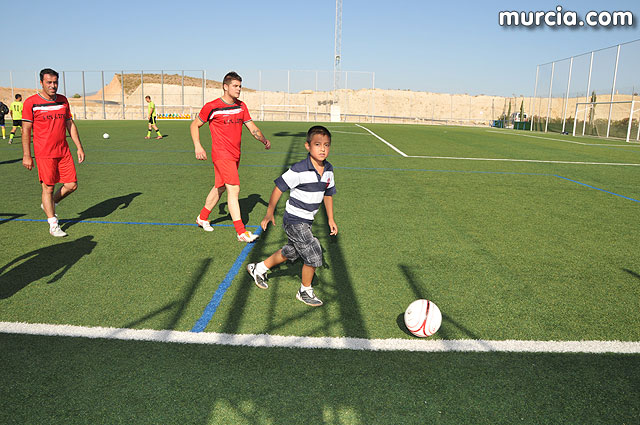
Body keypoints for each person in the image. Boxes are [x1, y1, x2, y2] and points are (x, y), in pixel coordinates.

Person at [247, 125, 337, 307]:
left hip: (308, 221)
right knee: (313, 252)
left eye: (326, 145)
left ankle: (259, 268)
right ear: (307, 146)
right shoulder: (298, 169)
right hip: (294, 220)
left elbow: (328, 193)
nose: (322, 149)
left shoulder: (328, 169)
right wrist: (269, 212)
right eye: (317, 144)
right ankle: (305, 291)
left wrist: (330, 219)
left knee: (291, 252)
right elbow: (279, 187)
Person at [191, 71, 271, 242]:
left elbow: (252, 127)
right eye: (235, 86)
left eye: (240, 86)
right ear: (225, 87)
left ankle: (202, 217)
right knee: (233, 189)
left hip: (235, 155)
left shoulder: (241, 106)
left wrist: (263, 140)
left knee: (219, 187)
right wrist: (198, 146)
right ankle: (241, 232)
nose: (239, 89)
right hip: (221, 154)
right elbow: (194, 125)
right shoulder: (212, 106)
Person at [22, 68, 86, 237]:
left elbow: (69, 124)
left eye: (55, 82)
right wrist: (27, 155)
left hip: (63, 150)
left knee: (72, 185)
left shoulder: (63, 100)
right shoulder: (31, 103)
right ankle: (53, 224)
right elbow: (26, 130)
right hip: (44, 152)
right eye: (49, 82)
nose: (53, 86)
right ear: (41, 83)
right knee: (48, 188)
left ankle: (50, 204)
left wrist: (79, 146)